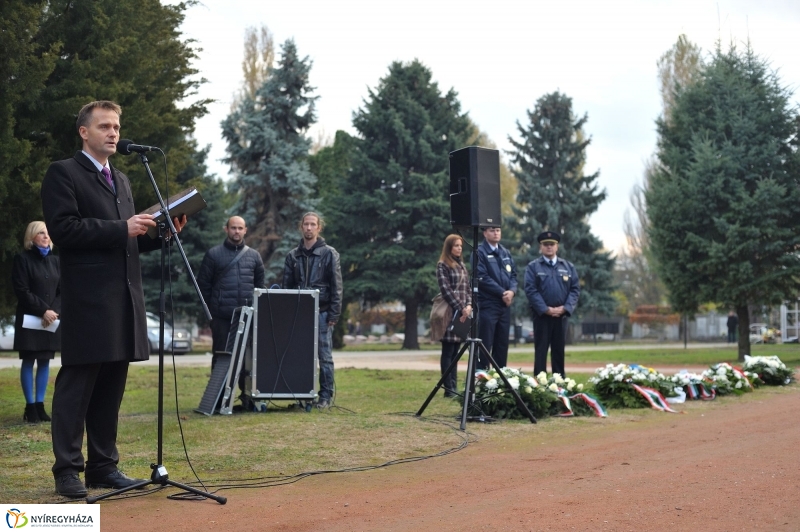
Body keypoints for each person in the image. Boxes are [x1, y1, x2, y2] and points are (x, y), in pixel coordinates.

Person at [41, 100, 186, 498]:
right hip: (87, 301)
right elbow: (66, 230)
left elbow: (126, 243)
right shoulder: (64, 173)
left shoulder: (120, 179)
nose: (113, 133)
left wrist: (162, 234)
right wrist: (123, 226)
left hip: (123, 300)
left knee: (110, 389)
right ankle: (67, 471)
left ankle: (103, 467)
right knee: (77, 388)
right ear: (84, 132)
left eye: (117, 127)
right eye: (104, 126)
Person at [282, 213, 342, 409]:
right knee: (300, 356)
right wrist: (288, 314)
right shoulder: (292, 256)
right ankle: (302, 396)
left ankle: (325, 397)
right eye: (306, 224)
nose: (309, 228)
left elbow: (337, 286)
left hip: (323, 312)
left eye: (312, 224)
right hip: (300, 315)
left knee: (324, 357)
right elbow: (286, 288)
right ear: (301, 227)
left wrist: (334, 313)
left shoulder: (329, 254)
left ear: (319, 228)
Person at [197, 216, 265, 370]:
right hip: (221, 318)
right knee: (220, 358)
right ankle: (219, 394)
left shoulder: (254, 256)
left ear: (245, 230)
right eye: (233, 227)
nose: (237, 231)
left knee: (248, 360)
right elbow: (203, 286)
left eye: (240, 228)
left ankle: (246, 394)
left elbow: (259, 287)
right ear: (226, 229)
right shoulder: (213, 254)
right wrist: (214, 310)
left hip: (247, 317)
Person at [12, 221, 61, 423]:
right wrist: (43, 310)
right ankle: (30, 407)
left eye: (48, 233)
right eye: (41, 233)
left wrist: (54, 312)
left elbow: (62, 291)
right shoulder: (22, 260)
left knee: (44, 361)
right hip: (30, 320)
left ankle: (40, 406)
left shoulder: (56, 261)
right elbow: (22, 291)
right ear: (31, 237)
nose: (46, 236)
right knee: (29, 360)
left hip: (50, 320)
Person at [524, 231, 580, 377]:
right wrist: (545, 309)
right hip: (542, 316)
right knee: (541, 351)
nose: (549, 247)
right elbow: (531, 290)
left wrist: (565, 308)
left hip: (561, 317)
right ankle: (540, 385)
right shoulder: (533, 267)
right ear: (540, 247)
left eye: (552, 244)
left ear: (557, 247)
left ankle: (559, 384)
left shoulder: (568, 267)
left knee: (559, 351)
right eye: (546, 244)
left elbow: (574, 290)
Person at [433, 234, 473, 397]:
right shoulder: (442, 265)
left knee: (456, 351)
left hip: (463, 313)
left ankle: (454, 386)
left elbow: (468, 288)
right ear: (449, 247)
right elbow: (446, 290)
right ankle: (448, 388)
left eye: (460, 246)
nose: (459, 248)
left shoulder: (462, 265)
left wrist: (469, 305)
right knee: (448, 350)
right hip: (450, 312)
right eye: (456, 245)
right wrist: (461, 307)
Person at [474, 226, 517, 369]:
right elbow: (482, 277)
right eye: (492, 230)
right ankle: (481, 379)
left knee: (502, 344)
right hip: (488, 305)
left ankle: (500, 381)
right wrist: (502, 293)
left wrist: (512, 291)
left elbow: (514, 276)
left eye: (498, 230)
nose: (496, 233)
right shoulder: (479, 252)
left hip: (504, 305)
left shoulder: (505, 252)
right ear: (485, 233)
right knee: (485, 344)